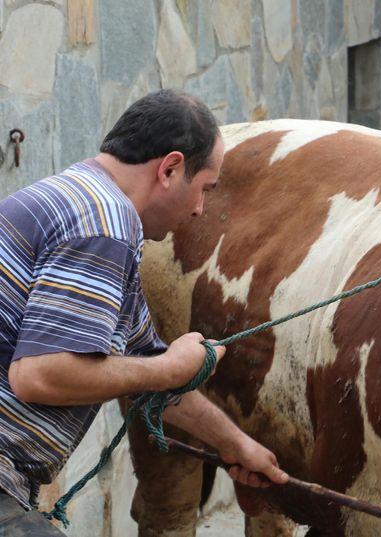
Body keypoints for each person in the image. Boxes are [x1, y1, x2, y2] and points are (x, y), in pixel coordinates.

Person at [0, 89, 287, 533]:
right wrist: (171, 368)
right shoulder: (104, 223)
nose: (199, 209)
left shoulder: (79, 196)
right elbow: (39, 374)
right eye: (204, 189)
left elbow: (148, 371)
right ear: (170, 169)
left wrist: (235, 445)